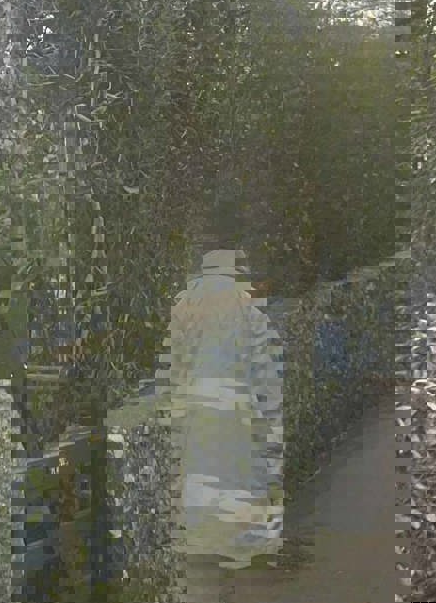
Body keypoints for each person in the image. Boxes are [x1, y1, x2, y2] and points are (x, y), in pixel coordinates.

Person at [162, 244, 285, 603]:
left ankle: (202, 541)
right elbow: (265, 371)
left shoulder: (184, 305)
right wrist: (269, 417)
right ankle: (239, 545)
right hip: (237, 406)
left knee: (200, 471)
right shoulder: (247, 308)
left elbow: (176, 363)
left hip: (198, 406)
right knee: (237, 473)